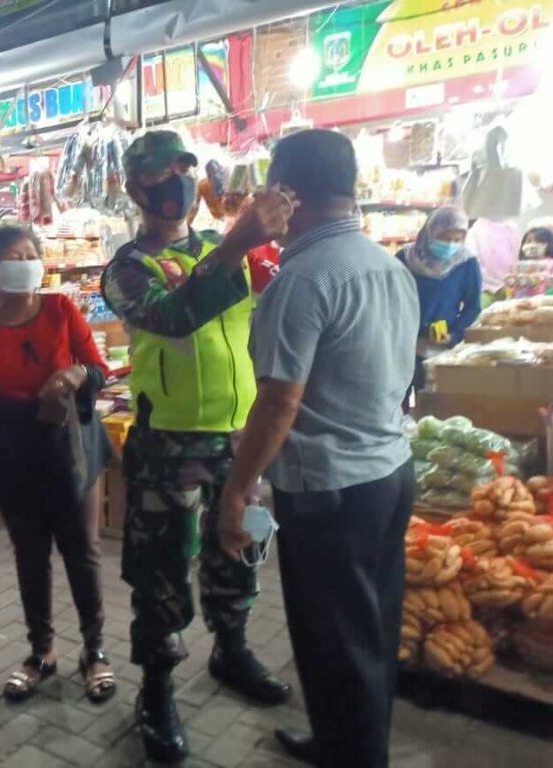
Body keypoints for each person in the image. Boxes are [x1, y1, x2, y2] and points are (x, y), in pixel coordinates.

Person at [217, 129, 419, 768]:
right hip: (388, 472)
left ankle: (353, 756)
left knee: (336, 639)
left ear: (288, 194)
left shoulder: (301, 279)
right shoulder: (390, 266)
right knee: (371, 630)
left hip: (331, 489)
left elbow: (279, 403)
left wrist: (236, 488)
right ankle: (343, 741)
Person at [101, 129, 293, 765]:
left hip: (239, 436)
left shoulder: (222, 247)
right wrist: (238, 242)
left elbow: (274, 304)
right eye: (162, 174)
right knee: (162, 575)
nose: (178, 182)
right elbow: (175, 316)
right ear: (136, 188)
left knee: (238, 550)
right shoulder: (127, 268)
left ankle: (230, 650)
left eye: (186, 168)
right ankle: (156, 689)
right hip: (170, 442)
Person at [0, 226, 117, 704]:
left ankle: (95, 649)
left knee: (82, 551)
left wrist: (78, 373)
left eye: (31, 254)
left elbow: (99, 369)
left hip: (72, 450)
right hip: (12, 455)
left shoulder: (62, 309)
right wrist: (34, 411)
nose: (28, 261)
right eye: (14, 256)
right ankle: (41, 651)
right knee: (30, 553)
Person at [396, 206, 482, 395]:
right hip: (401, 344)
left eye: (456, 240)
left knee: (431, 399)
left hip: (440, 346)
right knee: (396, 397)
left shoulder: (466, 263)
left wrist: (456, 334)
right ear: (429, 232)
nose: (450, 244)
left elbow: (473, 307)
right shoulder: (405, 258)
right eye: (444, 238)